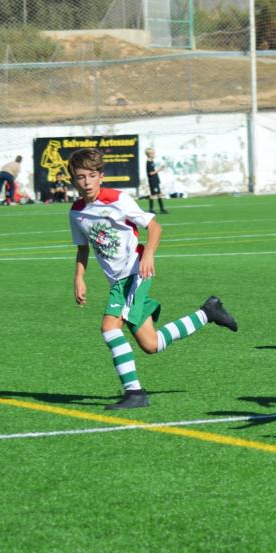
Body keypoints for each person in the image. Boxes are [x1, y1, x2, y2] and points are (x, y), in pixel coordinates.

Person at [68, 148, 237, 410]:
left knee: (109, 328)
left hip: (134, 273)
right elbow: (82, 248)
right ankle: (208, 313)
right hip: (118, 281)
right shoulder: (76, 212)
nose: (87, 182)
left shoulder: (117, 199)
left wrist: (148, 254)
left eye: (92, 175)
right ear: (73, 180)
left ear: (101, 176)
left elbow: (154, 226)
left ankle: (134, 393)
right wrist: (79, 277)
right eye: (80, 177)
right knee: (151, 344)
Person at [144, 148, 168, 214]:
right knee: (153, 194)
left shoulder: (151, 161)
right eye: (153, 153)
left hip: (155, 179)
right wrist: (159, 169)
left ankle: (162, 209)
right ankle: (151, 210)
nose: (154, 154)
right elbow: (151, 173)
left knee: (159, 194)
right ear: (149, 154)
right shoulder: (148, 162)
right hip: (152, 180)